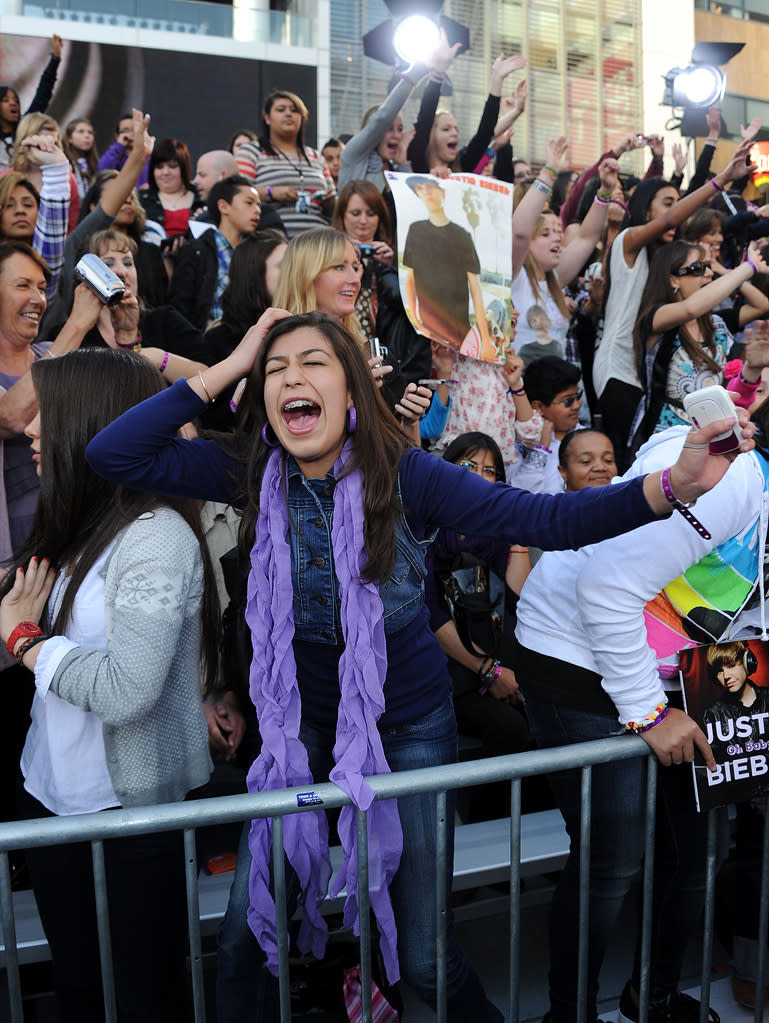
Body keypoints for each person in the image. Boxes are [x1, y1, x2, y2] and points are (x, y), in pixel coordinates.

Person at [85, 305, 751, 1023]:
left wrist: (670, 488)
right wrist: (234, 359)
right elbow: (112, 453)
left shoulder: (411, 475)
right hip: (297, 730)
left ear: (349, 390)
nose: (290, 378)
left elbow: (546, 522)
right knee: (246, 938)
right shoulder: (249, 469)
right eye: (275, 370)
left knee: (425, 957)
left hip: (408, 726)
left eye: (312, 363)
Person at [514, 400, 767, 1023]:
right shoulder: (727, 482)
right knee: (615, 857)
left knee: (697, 853)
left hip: (682, 669)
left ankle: (649, 999)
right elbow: (606, 589)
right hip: (575, 656)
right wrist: (651, 716)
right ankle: (568, 1014)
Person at [0, 346, 216, 1022]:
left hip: (129, 817)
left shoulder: (154, 535)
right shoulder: (73, 527)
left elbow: (128, 689)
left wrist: (26, 642)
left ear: (91, 421)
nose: (31, 430)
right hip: (52, 800)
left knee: (142, 994)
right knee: (82, 991)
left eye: (47, 415)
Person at [592, 134, 756, 459]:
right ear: (645, 206)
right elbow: (671, 220)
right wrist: (721, 179)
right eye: (669, 202)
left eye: (677, 202)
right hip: (617, 371)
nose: (676, 212)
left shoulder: (665, 262)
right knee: (624, 461)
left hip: (643, 373)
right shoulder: (628, 243)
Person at [629, 239, 769, 451]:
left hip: (713, 438)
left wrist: (727, 274)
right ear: (673, 279)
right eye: (697, 268)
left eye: (708, 267)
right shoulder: (656, 317)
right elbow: (690, 309)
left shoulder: (717, 324)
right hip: (665, 439)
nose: (708, 274)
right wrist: (746, 268)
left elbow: (762, 305)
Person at [332, 179, 431, 405]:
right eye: (355, 213)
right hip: (342, 366)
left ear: (381, 218)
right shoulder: (323, 261)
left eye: (371, 213)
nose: (363, 221)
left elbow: (414, 303)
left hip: (389, 373)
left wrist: (391, 266)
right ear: (342, 216)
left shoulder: (399, 259)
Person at [402, 174, 494, 359]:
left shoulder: (462, 235)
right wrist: (416, 321)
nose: (426, 191)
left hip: (459, 332)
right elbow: (410, 279)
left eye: (430, 186)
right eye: (419, 188)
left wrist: (485, 341)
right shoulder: (415, 230)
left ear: (442, 191)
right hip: (427, 333)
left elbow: (476, 290)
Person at [235, 91, 336, 237]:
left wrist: (330, 201)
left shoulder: (316, 157)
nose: (289, 114)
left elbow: (333, 208)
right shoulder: (252, 152)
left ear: (302, 118)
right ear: (267, 118)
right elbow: (237, 195)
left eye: (295, 110)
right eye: (281, 110)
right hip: (271, 242)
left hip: (317, 243)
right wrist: (271, 192)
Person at [169, 174, 262, 329]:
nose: (257, 210)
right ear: (223, 206)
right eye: (249, 203)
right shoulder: (195, 251)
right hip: (205, 343)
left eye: (258, 204)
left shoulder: (257, 253)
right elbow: (180, 308)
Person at [507, 357, 584, 493]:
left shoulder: (587, 437)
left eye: (578, 396)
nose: (577, 405)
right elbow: (518, 495)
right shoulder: (520, 443)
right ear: (538, 406)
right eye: (568, 401)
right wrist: (540, 450)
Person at [0, 35, 62, 171]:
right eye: (5, 100)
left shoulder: (25, 129)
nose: (13, 104)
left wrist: (55, 59)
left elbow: (43, 94)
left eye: (16, 100)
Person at [9, 112, 80, 231]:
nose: (48, 149)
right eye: (42, 144)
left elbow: (71, 227)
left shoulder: (67, 180)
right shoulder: (5, 179)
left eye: (54, 144)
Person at [141, 137, 203, 239]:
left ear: (184, 168)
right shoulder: (141, 199)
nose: (165, 172)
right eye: (159, 167)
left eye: (173, 166)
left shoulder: (201, 197)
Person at [97, 111, 150, 188]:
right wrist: (119, 146)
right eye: (125, 131)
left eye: (135, 130)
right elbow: (103, 170)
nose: (131, 134)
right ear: (117, 136)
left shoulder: (149, 156)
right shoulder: (115, 156)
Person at [63, 117, 99, 198]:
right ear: (69, 138)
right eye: (81, 132)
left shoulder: (95, 164)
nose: (87, 136)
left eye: (90, 132)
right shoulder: (65, 163)